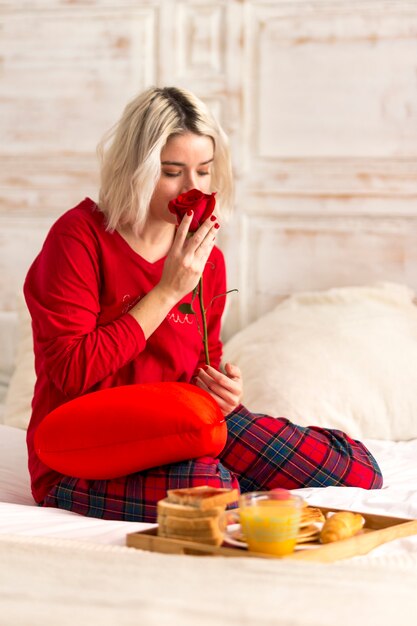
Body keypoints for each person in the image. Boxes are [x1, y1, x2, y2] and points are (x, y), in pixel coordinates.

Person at [24, 86, 383, 523]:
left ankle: (211, 471)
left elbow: (195, 367)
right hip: (82, 449)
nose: (192, 188)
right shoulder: (79, 238)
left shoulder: (206, 258)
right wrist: (167, 291)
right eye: (172, 171)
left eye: (204, 171)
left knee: (356, 467)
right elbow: (71, 371)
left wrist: (222, 391)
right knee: (217, 491)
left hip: (177, 429)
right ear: (135, 170)